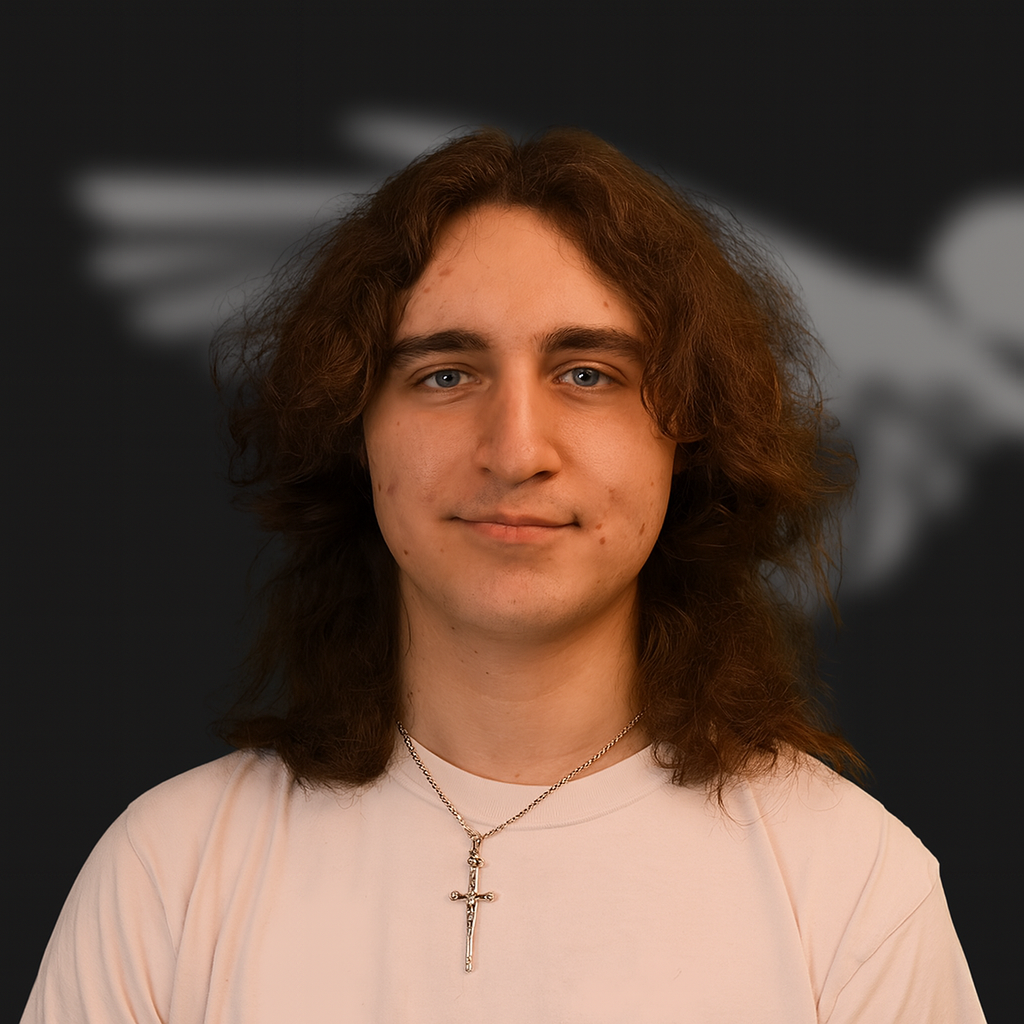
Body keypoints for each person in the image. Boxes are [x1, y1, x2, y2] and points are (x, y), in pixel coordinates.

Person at [22, 128, 985, 1022]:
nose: (517, 450)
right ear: (355, 433)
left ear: (688, 440)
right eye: (445, 375)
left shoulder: (852, 888)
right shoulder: (169, 874)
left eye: (588, 374)